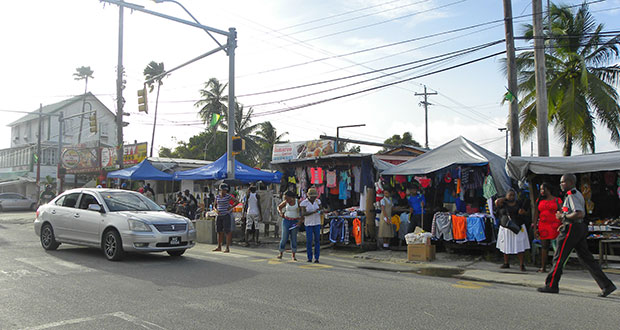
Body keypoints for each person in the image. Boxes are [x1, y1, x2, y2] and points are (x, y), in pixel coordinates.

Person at [538, 174, 617, 297]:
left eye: (562, 182)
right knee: (587, 259)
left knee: (559, 256)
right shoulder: (576, 194)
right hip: (576, 227)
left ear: (570, 182)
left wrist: (563, 217)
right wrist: (564, 222)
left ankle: (551, 285)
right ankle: (607, 285)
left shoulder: (572, 195)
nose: (561, 185)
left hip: (572, 228)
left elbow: (579, 214)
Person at [495, 189, 530, 271]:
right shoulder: (502, 204)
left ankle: (521, 264)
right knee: (505, 246)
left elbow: (527, 213)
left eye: (513, 195)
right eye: (510, 195)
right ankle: (506, 263)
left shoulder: (519, 203)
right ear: (506, 195)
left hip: (517, 227)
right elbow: (496, 202)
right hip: (506, 227)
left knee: (520, 246)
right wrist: (505, 199)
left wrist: (523, 213)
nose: (512, 197)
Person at [533, 182, 563, 272]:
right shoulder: (539, 200)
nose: (542, 191)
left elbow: (561, 212)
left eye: (543, 189)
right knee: (544, 246)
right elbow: (536, 215)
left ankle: (557, 267)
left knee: (557, 247)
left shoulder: (557, 200)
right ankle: (543, 267)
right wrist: (535, 227)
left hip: (555, 225)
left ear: (548, 189)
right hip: (543, 226)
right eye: (541, 189)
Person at [277, 191, 302, 261]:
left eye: (287, 198)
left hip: (295, 221)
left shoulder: (298, 202)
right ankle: (281, 252)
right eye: (285, 199)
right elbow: (279, 207)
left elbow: (303, 212)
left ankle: (293, 254)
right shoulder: (286, 202)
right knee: (284, 237)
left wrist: (300, 222)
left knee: (293, 238)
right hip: (286, 220)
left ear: (291, 198)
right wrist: (281, 213)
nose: (286, 200)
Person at [214, 183, 238, 253]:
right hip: (219, 215)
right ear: (220, 190)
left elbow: (236, 201)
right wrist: (216, 210)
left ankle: (227, 247)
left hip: (226, 215)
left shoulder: (228, 196)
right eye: (223, 190)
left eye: (225, 190)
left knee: (227, 231)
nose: (224, 191)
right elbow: (214, 205)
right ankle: (219, 246)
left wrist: (231, 207)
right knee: (219, 231)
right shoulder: (217, 197)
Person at [300, 187, 322, 263]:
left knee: (317, 241)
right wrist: (313, 212)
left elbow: (320, 210)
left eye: (315, 196)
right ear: (308, 196)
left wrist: (321, 211)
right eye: (312, 197)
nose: (314, 198)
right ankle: (309, 257)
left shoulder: (318, 201)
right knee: (309, 241)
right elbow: (303, 213)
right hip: (308, 223)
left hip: (317, 222)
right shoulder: (304, 203)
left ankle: (317, 257)